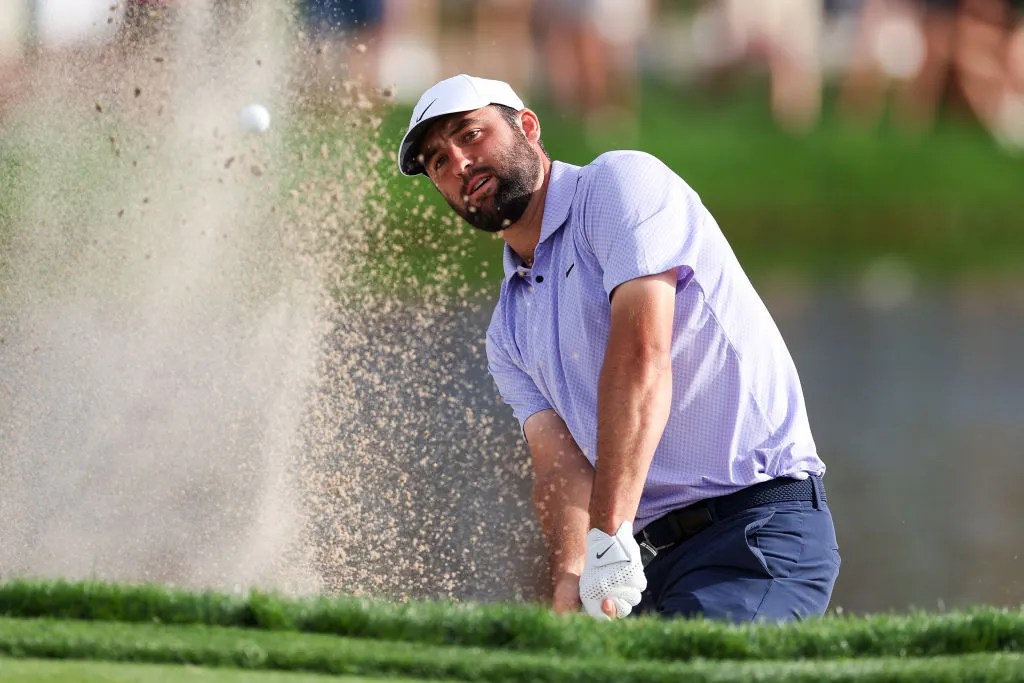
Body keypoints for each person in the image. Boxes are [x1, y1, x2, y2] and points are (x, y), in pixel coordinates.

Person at [397, 74, 841, 622]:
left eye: (471, 135)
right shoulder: (506, 329)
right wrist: (571, 575)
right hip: (644, 560)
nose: (460, 163)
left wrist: (608, 533)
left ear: (528, 128)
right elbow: (560, 469)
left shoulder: (618, 184)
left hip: (753, 534)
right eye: (438, 161)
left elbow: (641, 357)